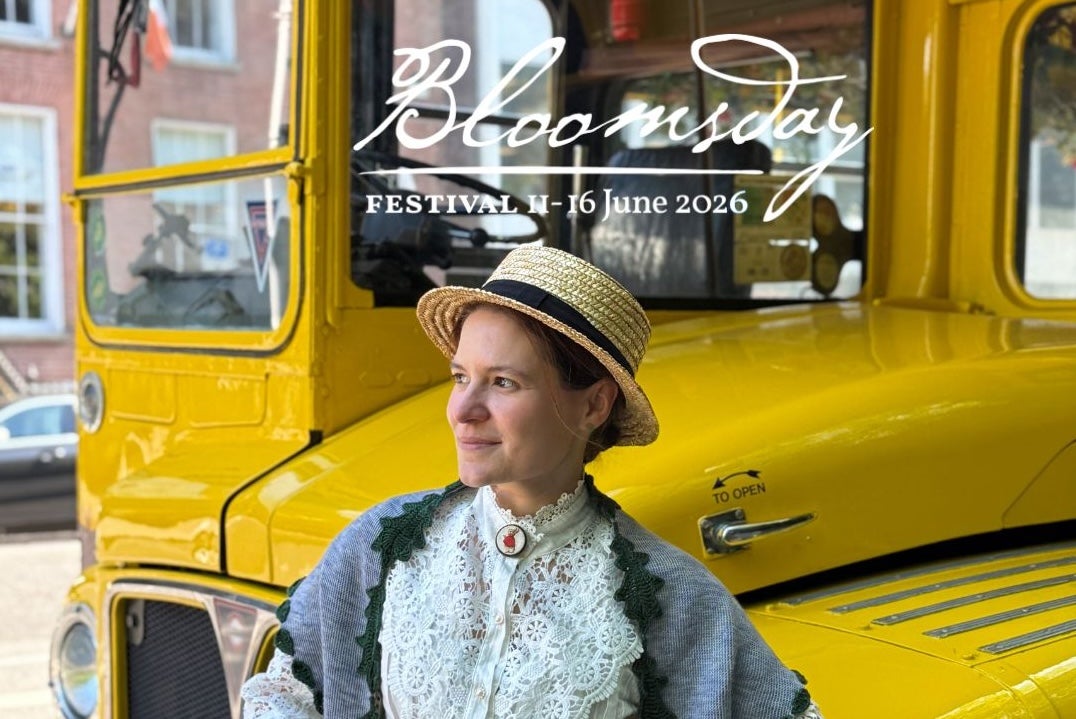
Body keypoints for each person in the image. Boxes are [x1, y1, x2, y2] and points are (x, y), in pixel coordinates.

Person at [241, 245, 823, 718]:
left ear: (595, 404)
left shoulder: (670, 594)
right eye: (459, 376)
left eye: (503, 382)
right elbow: (283, 694)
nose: (462, 410)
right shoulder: (385, 545)